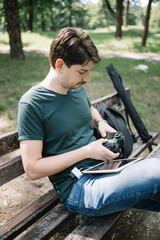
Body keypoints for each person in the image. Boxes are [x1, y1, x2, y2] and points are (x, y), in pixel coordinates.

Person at [18, 27, 160, 217]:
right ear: (59, 65)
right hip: (79, 187)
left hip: (107, 169)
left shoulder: (75, 89)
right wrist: (87, 151)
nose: (88, 78)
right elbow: (32, 169)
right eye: (82, 71)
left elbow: (89, 109)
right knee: (156, 172)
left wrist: (100, 121)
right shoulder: (32, 103)